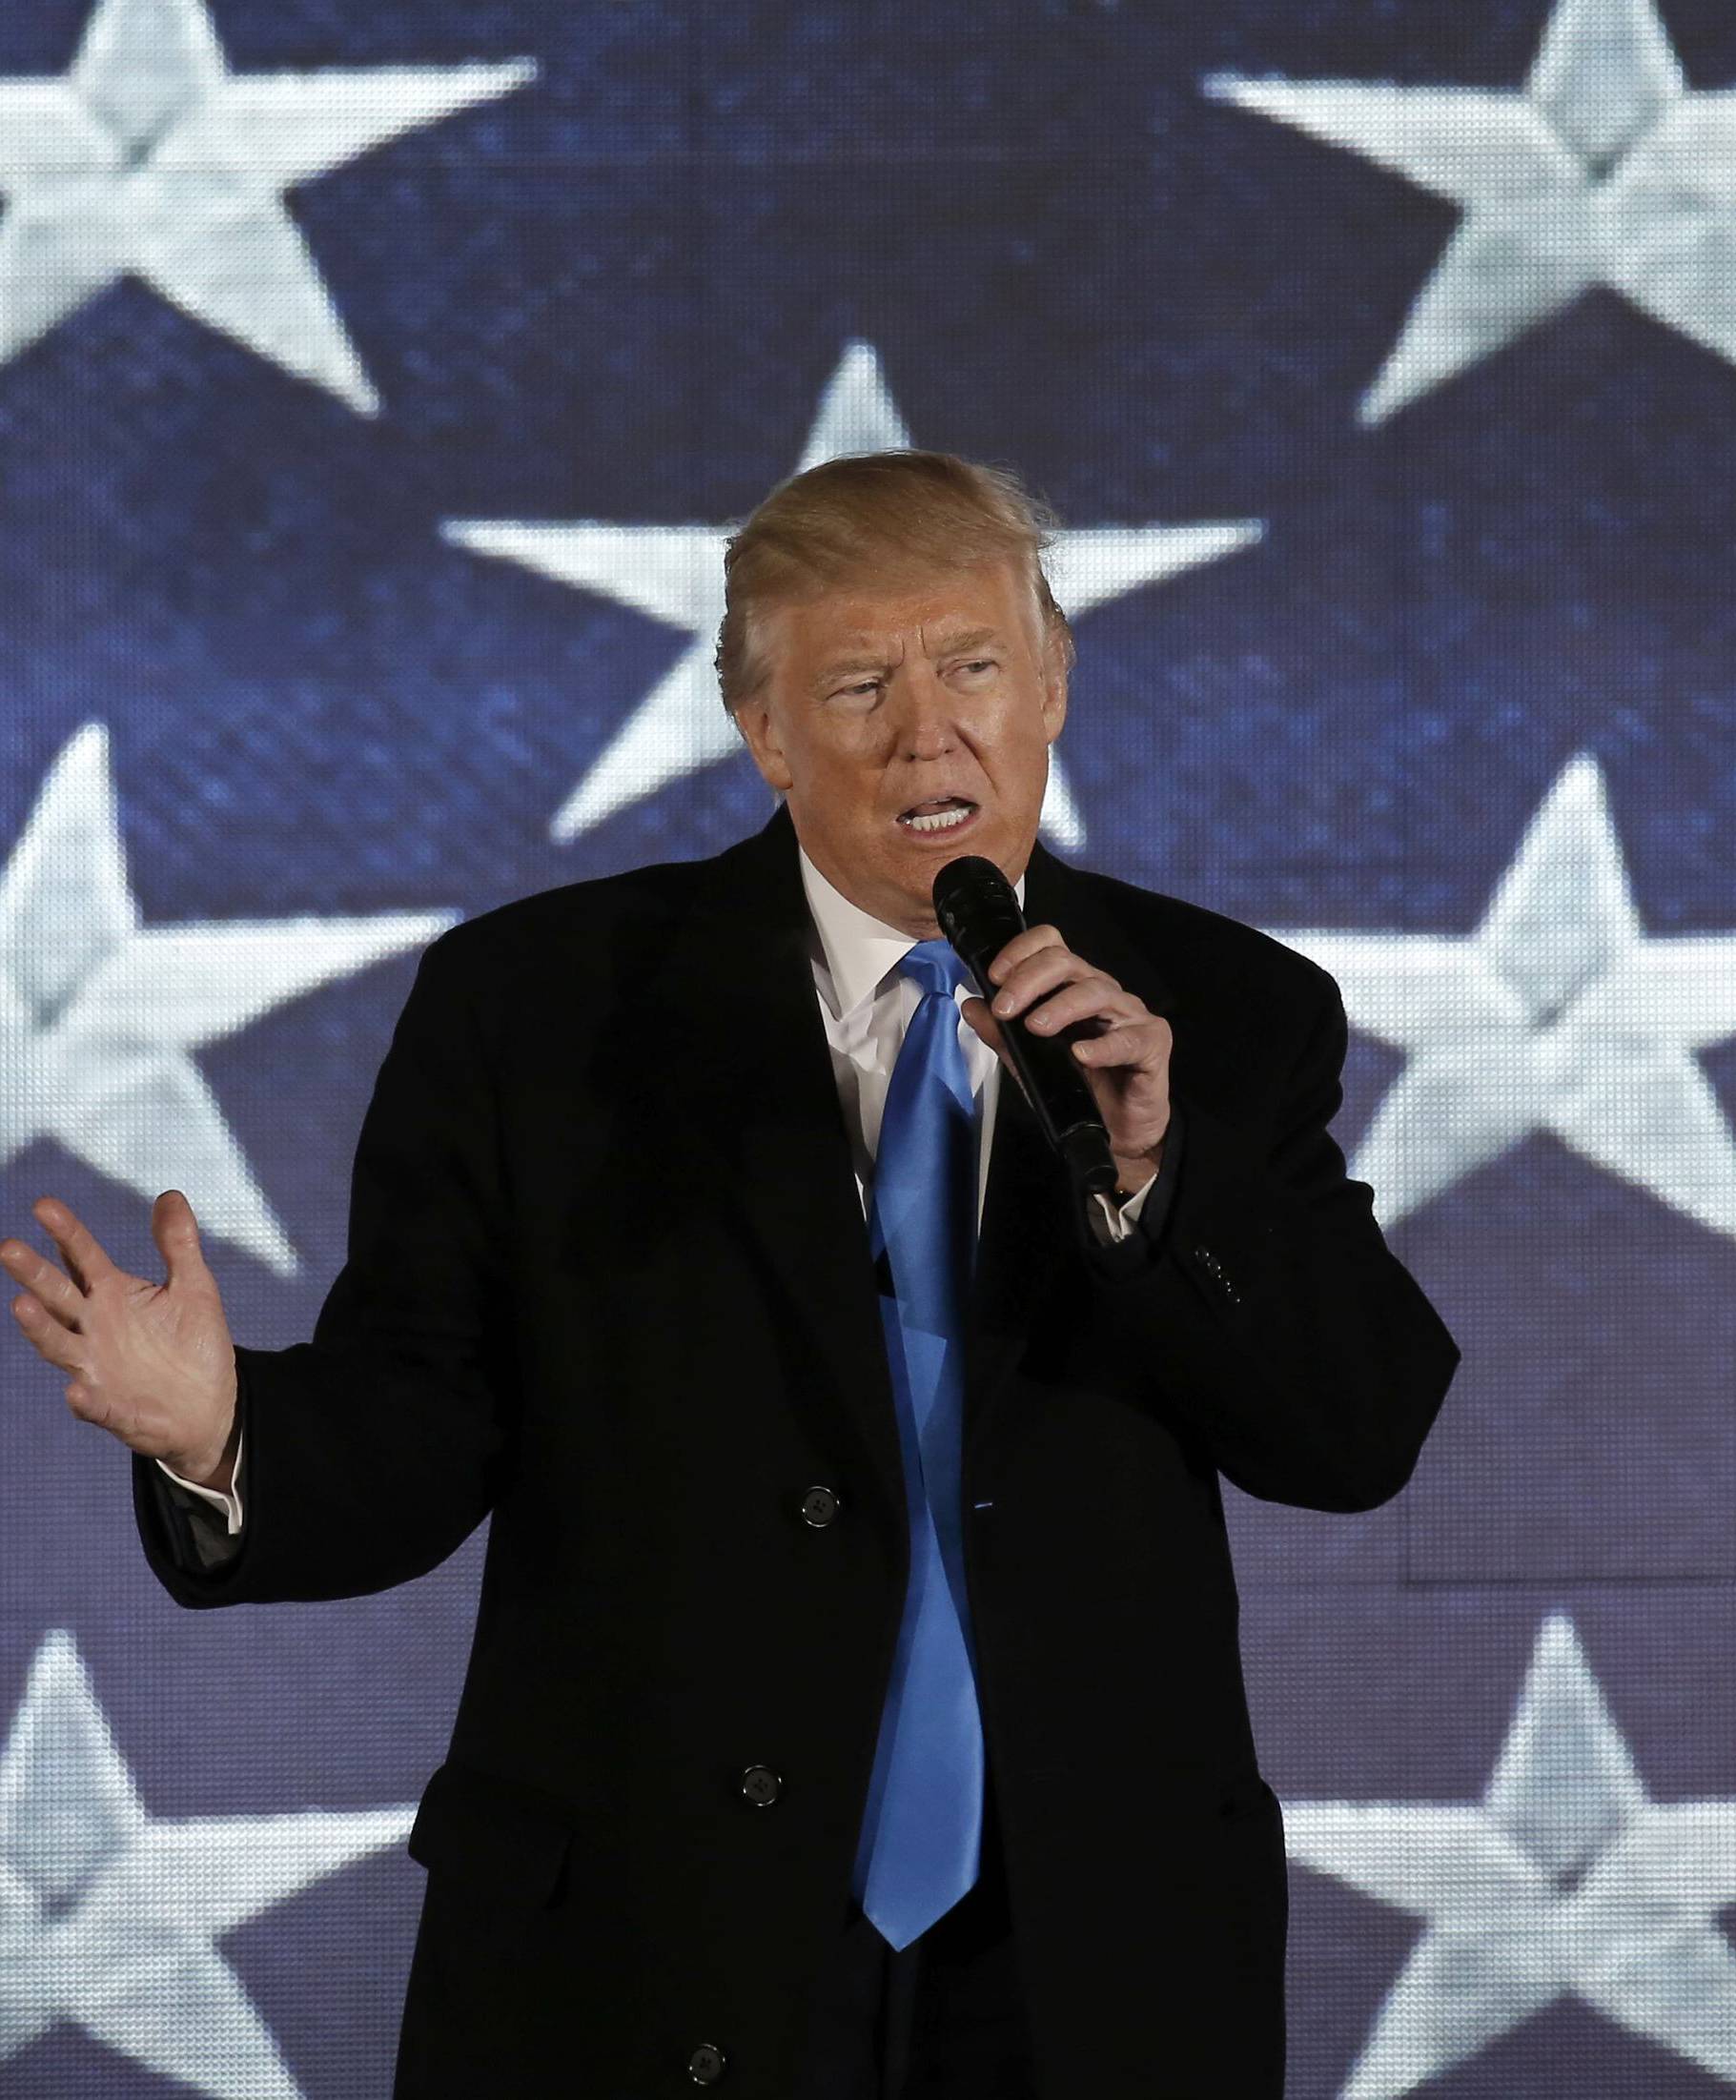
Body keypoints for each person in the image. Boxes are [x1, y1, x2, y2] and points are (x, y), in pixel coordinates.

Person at [2, 451, 1460, 2099]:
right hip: (652, 1933)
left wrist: (1151, 1175)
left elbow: (1355, 1434)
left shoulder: (1219, 1010)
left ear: (1052, 682)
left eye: (974, 666)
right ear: (766, 737)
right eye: (859, 686)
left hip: (1085, 1968)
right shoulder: (540, 1011)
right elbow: (422, 1426)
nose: (931, 733)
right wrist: (223, 1435)